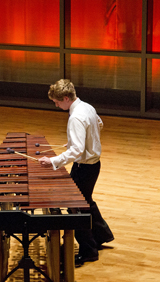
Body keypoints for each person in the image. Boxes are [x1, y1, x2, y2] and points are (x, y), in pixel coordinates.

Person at [38, 79, 114, 266]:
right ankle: (101, 235)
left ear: (65, 98)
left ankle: (88, 251)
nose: (56, 105)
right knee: (85, 200)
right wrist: (79, 140)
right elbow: (99, 124)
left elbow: (76, 152)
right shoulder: (87, 107)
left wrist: (53, 161)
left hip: (84, 167)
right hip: (94, 165)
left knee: (75, 208)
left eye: (57, 101)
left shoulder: (75, 118)